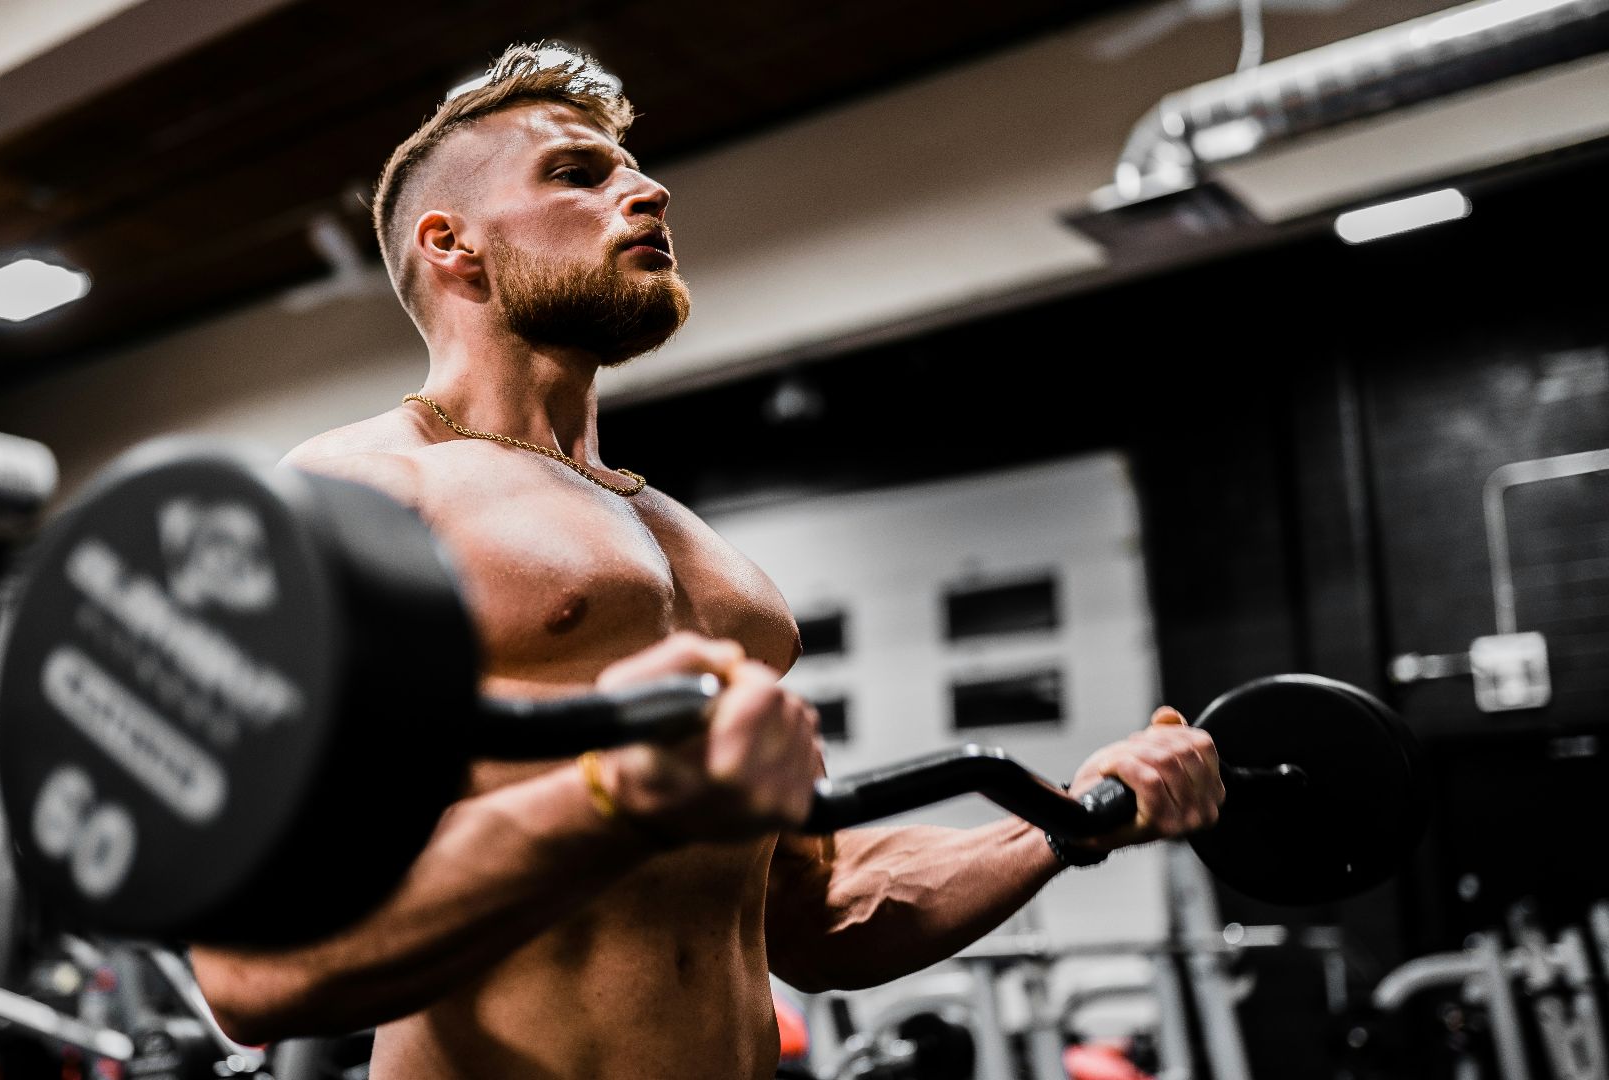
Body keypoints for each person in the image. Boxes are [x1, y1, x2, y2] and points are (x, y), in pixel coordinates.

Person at [188, 44, 1223, 1080]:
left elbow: (819, 916)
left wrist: (1072, 818)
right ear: (453, 243)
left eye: (630, 168)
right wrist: (610, 792)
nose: (648, 189)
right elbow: (255, 974)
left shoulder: (696, 551)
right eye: (578, 173)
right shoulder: (355, 495)